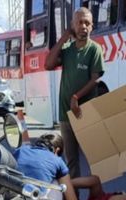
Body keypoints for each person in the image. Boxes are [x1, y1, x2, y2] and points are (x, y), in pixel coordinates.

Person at [44, 7, 105, 179]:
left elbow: (95, 79)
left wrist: (76, 96)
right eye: (79, 22)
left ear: (92, 26)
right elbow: (48, 64)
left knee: (94, 159)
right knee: (71, 161)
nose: (83, 26)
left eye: (87, 23)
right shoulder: (68, 49)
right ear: (72, 26)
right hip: (66, 114)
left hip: (84, 113)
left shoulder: (95, 49)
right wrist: (64, 37)